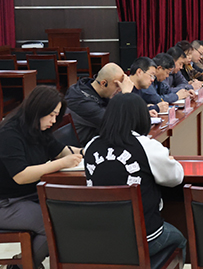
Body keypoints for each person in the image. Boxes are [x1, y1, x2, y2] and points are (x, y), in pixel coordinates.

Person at [84, 94, 186, 264]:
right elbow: (175, 177)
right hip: (144, 237)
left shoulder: (91, 146)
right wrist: (170, 161)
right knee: (180, 239)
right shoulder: (147, 146)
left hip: (102, 236)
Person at [0, 86, 83, 269]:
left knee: (68, 212)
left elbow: (61, 151)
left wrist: (87, 151)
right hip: (6, 202)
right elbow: (21, 176)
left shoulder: (37, 128)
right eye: (51, 115)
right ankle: (21, 266)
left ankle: (27, 262)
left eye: (56, 115)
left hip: (29, 195)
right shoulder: (9, 134)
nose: (53, 121)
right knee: (51, 223)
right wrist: (60, 164)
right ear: (38, 110)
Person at [65, 62, 134, 145]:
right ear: (103, 83)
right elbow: (117, 125)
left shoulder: (96, 90)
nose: (120, 89)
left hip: (96, 141)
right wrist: (126, 94)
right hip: (81, 148)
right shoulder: (82, 103)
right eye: (117, 85)